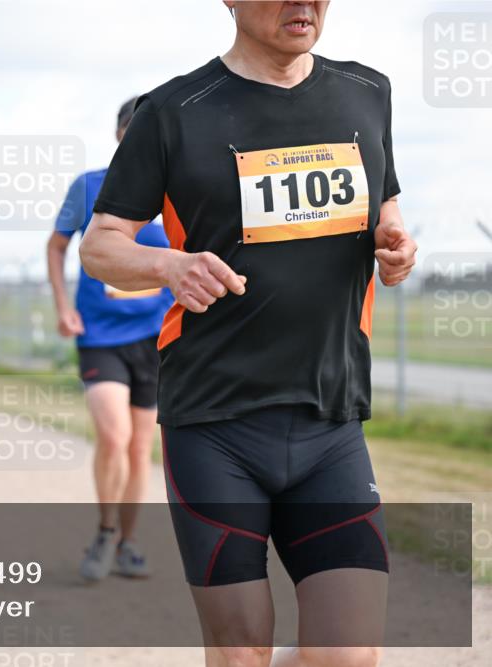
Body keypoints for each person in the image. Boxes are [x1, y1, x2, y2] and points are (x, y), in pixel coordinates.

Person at [79, 2, 418, 665]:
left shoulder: (367, 91)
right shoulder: (175, 111)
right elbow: (100, 246)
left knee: (348, 654)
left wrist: (398, 248)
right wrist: (168, 264)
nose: (303, 3)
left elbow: (388, 214)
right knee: (241, 653)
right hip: (214, 423)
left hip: (330, 419)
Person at [48, 97, 175, 581]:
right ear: (122, 134)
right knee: (114, 435)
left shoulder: (178, 192)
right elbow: (57, 246)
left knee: (140, 446)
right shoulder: (89, 188)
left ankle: (128, 541)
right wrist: (63, 306)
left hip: (154, 335)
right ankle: (104, 532)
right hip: (100, 333)